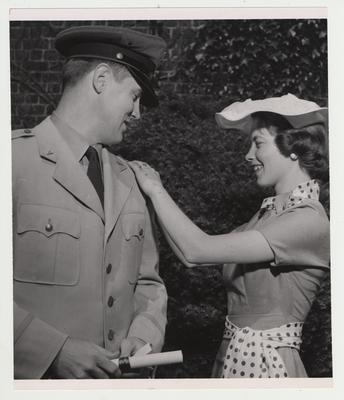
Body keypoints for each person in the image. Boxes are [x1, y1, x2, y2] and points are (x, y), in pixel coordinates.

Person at [130, 93, 330, 378]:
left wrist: (155, 189)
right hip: (232, 358)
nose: (248, 155)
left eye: (257, 143)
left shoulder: (308, 220)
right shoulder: (266, 216)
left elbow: (197, 249)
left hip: (266, 368)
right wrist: (152, 199)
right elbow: (192, 257)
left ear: (293, 148)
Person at [12, 25, 168, 379]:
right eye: (134, 96)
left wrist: (143, 336)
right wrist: (51, 351)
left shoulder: (130, 179)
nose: (138, 112)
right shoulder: (13, 162)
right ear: (100, 79)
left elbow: (149, 284)